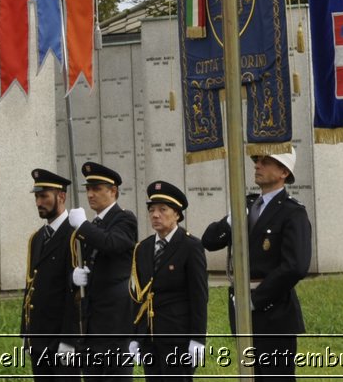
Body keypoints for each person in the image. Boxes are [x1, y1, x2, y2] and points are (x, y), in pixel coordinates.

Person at [201, 151, 311, 380]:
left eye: (265, 162)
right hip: (242, 310)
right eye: (256, 161)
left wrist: (255, 299)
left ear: (284, 172)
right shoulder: (248, 204)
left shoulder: (292, 212)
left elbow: (295, 266)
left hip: (274, 314)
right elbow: (209, 241)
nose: (257, 165)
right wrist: (230, 221)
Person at [67, 160, 139, 380]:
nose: (90, 195)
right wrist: (75, 278)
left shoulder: (124, 219)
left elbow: (112, 244)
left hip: (116, 323)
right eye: (88, 189)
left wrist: (83, 226)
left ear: (113, 191)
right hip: (92, 322)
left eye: (97, 189)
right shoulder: (93, 226)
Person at [129, 181, 207, 381]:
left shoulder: (190, 246)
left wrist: (198, 339)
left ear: (177, 214)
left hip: (178, 337)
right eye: (152, 210)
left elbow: (199, 296)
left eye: (163, 210)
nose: (155, 215)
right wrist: (136, 336)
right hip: (150, 337)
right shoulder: (143, 248)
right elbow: (139, 296)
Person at [24, 168, 83, 380]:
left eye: (44, 196)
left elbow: (76, 295)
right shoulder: (37, 238)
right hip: (39, 337)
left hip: (62, 338)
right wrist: (27, 333)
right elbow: (31, 287)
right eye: (37, 197)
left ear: (61, 196)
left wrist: (69, 339)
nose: (39, 202)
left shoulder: (75, 235)